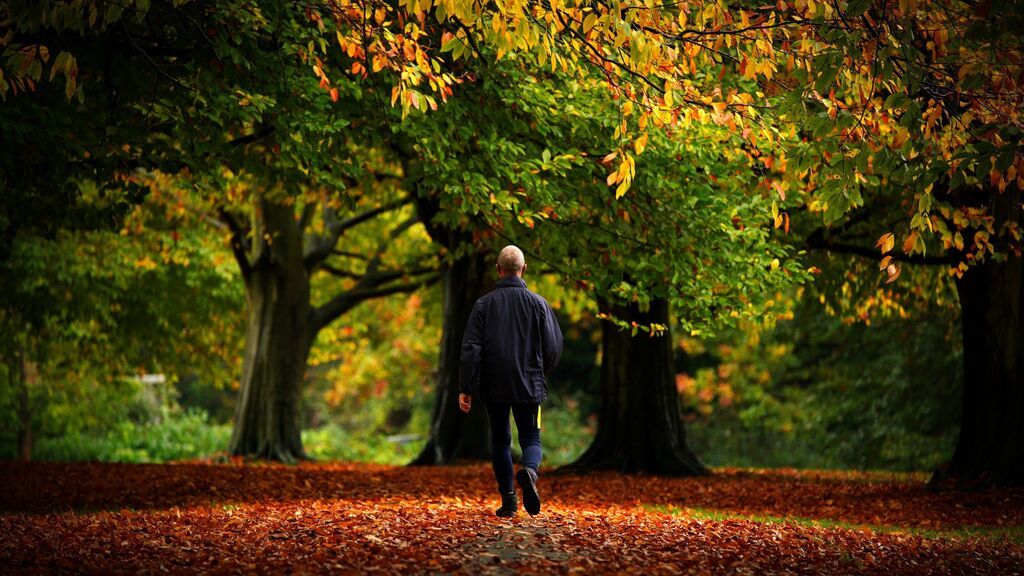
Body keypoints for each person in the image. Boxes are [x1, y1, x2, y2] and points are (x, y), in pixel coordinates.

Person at [457, 245, 563, 517]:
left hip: (495, 386)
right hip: (529, 384)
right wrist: (540, 372)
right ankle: (529, 471)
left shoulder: (483, 305)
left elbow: (471, 348)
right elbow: (553, 346)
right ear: (523, 269)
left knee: (500, 442)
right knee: (531, 438)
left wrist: (466, 387)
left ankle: (509, 500)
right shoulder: (538, 304)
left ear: (498, 269)